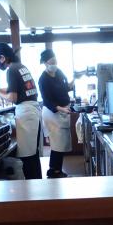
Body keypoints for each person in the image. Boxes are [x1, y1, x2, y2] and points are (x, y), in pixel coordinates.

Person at [0, 43, 42, 180]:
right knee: (33, 153)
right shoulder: (20, 67)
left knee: (27, 155)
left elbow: (12, 97)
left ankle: (32, 187)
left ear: (2, 57)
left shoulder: (11, 70)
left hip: (26, 112)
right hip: (33, 110)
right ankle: (38, 184)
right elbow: (14, 89)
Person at [38, 49, 74, 178]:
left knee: (61, 143)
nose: (54, 64)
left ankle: (55, 169)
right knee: (57, 144)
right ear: (45, 63)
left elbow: (65, 88)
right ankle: (54, 170)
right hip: (52, 113)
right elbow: (47, 101)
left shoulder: (59, 72)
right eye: (51, 62)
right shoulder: (43, 79)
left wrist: (74, 80)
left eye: (55, 61)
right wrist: (61, 109)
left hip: (62, 111)